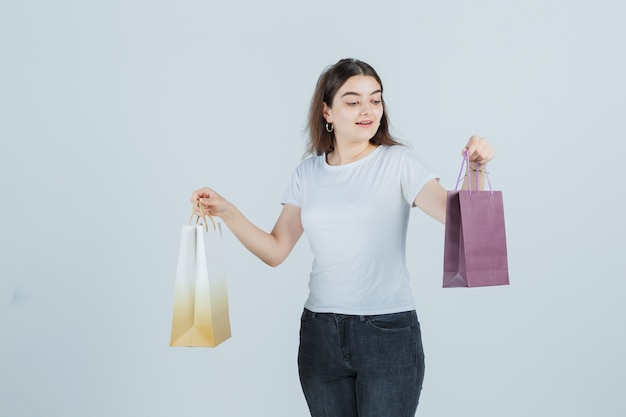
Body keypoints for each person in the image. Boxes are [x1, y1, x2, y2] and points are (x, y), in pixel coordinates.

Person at [191, 58, 495, 417]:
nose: (367, 110)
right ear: (327, 111)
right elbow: (275, 251)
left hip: (387, 332)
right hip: (320, 332)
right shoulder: (308, 172)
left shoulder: (398, 163)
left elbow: (465, 222)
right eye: (353, 101)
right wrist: (228, 212)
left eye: (375, 99)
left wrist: (476, 169)